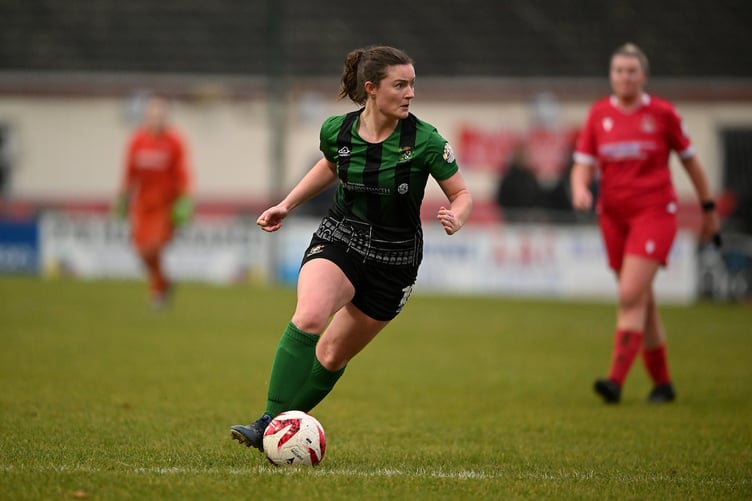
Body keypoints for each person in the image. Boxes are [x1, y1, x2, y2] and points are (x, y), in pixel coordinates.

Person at [230, 45, 473, 451]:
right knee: (309, 316)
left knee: (331, 353)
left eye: (413, 84)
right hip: (342, 235)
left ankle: (281, 431)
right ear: (372, 88)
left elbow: (462, 192)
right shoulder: (336, 130)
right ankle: (268, 423)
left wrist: (458, 215)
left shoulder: (426, 140)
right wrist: (287, 205)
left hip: (395, 259)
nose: (410, 93)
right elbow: (330, 164)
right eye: (401, 84)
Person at [570, 43, 720, 404]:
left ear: (644, 76)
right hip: (614, 217)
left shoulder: (663, 114)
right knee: (642, 300)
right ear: (611, 76)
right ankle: (663, 385)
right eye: (619, 71)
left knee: (629, 294)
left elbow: (691, 163)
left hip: (654, 214)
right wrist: (579, 189)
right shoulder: (599, 114)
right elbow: (583, 162)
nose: (625, 77)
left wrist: (708, 208)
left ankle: (615, 381)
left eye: (631, 71)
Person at [115, 94, 193, 308]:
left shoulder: (174, 142)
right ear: (146, 116)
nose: (156, 118)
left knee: (153, 248)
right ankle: (163, 282)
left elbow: (182, 175)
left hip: (165, 206)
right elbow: (130, 173)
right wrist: (122, 197)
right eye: (152, 114)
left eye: (160, 114)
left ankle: (158, 291)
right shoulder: (137, 141)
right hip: (142, 205)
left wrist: (185, 201)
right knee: (140, 250)